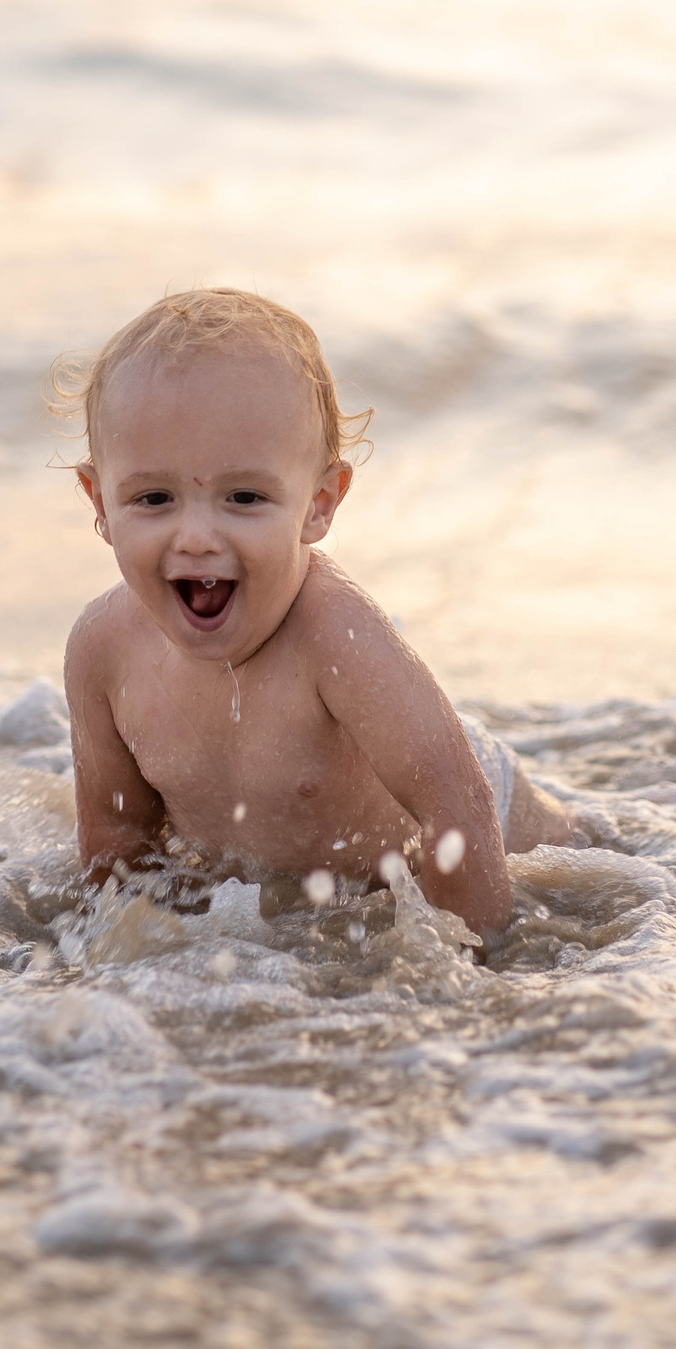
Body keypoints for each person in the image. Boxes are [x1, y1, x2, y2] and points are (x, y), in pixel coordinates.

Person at [57, 287, 576, 947]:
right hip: (320, 879)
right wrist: (122, 958)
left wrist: (473, 975)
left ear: (319, 504)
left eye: (244, 496)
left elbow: (458, 808)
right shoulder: (103, 651)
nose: (195, 536)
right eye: (153, 497)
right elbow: (117, 842)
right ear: (99, 500)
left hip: (497, 822)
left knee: (602, 886)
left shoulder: (334, 634)